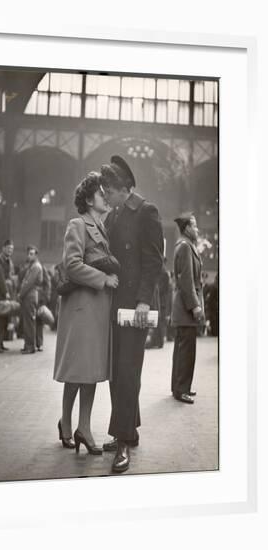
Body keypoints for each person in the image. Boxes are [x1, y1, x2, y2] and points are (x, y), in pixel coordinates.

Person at [100, 155, 164, 473]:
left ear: (121, 189)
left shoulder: (146, 212)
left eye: (108, 191)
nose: (105, 197)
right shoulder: (115, 215)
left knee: (127, 372)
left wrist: (143, 302)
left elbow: (153, 262)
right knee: (118, 371)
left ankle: (123, 441)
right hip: (115, 305)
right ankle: (129, 430)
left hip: (134, 308)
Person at [53, 172, 119, 454]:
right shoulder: (78, 225)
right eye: (101, 193)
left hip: (96, 311)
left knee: (90, 371)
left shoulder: (102, 229)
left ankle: (81, 426)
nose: (106, 197)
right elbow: (71, 264)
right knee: (79, 370)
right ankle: (70, 424)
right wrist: (103, 279)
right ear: (89, 199)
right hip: (82, 309)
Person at [170, 213, 205, 404]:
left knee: (181, 349)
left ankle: (178, 388)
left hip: (183, 308)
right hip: (186, 308)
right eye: (195, 225)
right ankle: (181, 390)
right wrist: (195, 306)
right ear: (187, 228)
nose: (197, 230)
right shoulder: (184, 247)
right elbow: (186, 280)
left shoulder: (186, 245)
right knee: (186, 351)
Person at [18, 246, 43, 354]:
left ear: (36, 255)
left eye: (32, 254)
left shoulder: (36, 267)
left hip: (30, 296)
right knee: (27, 322)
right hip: (29, 296)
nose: (29, 256)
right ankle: (28, 345)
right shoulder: (32, 266)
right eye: (28, 254)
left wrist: (20, 294)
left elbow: (29, 283)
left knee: (29, 322)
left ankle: (30, 346)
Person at [36, 264, 52, 351]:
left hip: (40, 299)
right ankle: (32, 344)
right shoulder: (28, 267)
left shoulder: (42, 267)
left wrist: (45, 297)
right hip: (31, 298)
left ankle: (39, 343)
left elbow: (47, 284)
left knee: (39, 321)